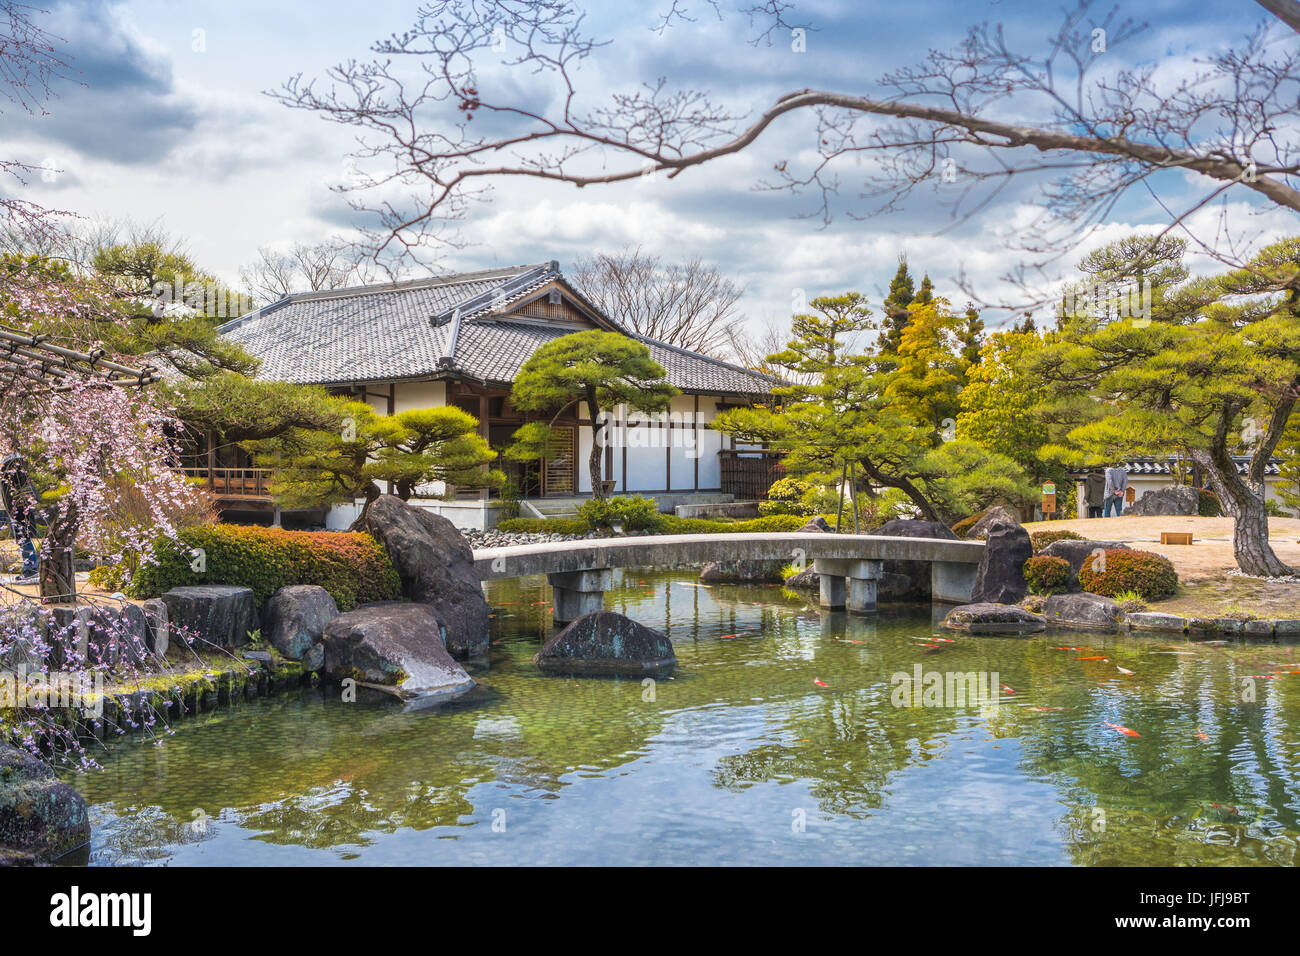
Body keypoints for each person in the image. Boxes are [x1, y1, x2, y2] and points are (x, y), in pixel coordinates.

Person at [0, 454, 39, 583]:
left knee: (23, 538)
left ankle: (31, 567)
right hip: (15, 509)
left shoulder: (14, 475)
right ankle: (30, 567)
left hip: (18, 510)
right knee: (23, 539)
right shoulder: (17, 474)